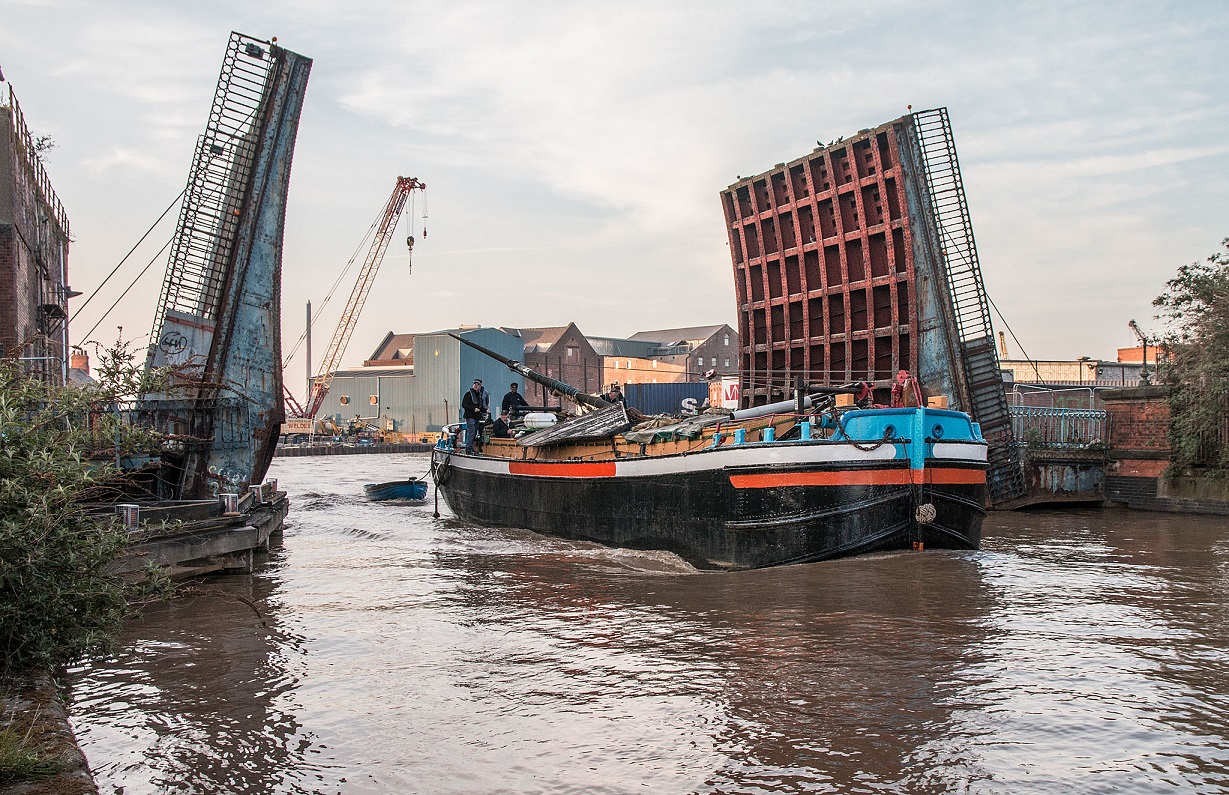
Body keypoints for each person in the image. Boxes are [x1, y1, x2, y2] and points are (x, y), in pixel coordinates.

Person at [461, 378, 488, 453]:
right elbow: (464, 405)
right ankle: (468, 449)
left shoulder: (479, 395)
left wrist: (485, 410)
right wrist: (473, 409)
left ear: (480, 386)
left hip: (477, 417)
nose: (476, 386)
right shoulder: (468, 394)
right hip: (470, 416)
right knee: (472, 432)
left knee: (475, 432)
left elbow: (480, 407)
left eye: (478, 384)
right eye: (475, 384)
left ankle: (471, 448)